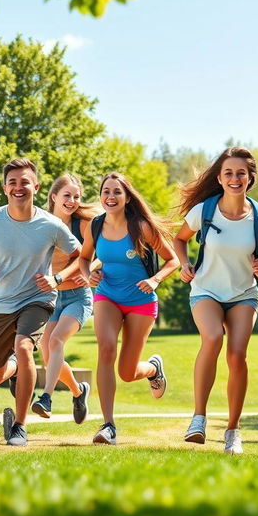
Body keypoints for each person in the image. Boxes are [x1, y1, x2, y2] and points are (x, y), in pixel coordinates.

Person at [0, 158, 80, 446]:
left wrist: (57, 279)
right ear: (5, 188)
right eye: (12, 182)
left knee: (24, 346)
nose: (18, 187)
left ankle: (20, 427)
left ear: (35, 186)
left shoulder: (51, 225)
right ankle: (13, 366)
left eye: (24, 181)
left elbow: (79, 257)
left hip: (37, 299)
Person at [173, 147, 258, 455]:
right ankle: (199, 417)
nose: (235, 178)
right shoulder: (204, 211)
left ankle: (233, 430)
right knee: (213, 337)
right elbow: (179, 239)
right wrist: (184, 262)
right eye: (229, 173)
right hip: (206, 289)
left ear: (250, 178)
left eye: (241, 173)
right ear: (219, 178)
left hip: (243, 294)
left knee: (236, 355)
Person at [79, 172, 179, 445]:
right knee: (106, 348)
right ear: (101, 196)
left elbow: (173, 260)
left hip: (140, 302)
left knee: (126, 371)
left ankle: (152, 369)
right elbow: (84, 258)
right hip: (107, 296)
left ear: (126, 198)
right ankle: (108, 425)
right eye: (106, 192)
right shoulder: (95, 226)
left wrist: (155, 279)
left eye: (116, 192)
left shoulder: (141, 227)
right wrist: (89, 275)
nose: (110, 197)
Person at [31, 174, 101, 423]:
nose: (72, 201)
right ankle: (78, 391)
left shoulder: (82, 225)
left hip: (78, 298)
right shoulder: (41, 224)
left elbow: (100, 255)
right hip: (52, 298)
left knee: (57, 340)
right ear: (53, 197)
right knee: (48, 356)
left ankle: (46, 397)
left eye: (76, 196)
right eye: (67, 195)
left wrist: (89, 269)